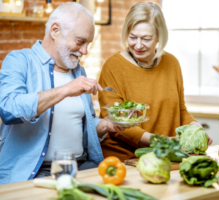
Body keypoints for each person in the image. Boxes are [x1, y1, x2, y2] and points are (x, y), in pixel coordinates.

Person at [0, 2, 126, 185]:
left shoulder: (78, 72)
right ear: (55, 30)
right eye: (80, 41)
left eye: (88, 44)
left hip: (81, 166)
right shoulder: (19, 61)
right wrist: (65, 90)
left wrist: (106, 125)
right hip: (35, 172)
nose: (85, 51)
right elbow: (8, 109)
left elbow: (81, 126)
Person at [98, 2, 213, 162]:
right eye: (132, 37)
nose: (138, 45)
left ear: (159, 36)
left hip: (166, 156)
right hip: (125, 159)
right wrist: (162, 142)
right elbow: (114, 122)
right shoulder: (113, 66)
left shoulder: (172, 63)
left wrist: (195, 128)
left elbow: (180, 110)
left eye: (146, 38)